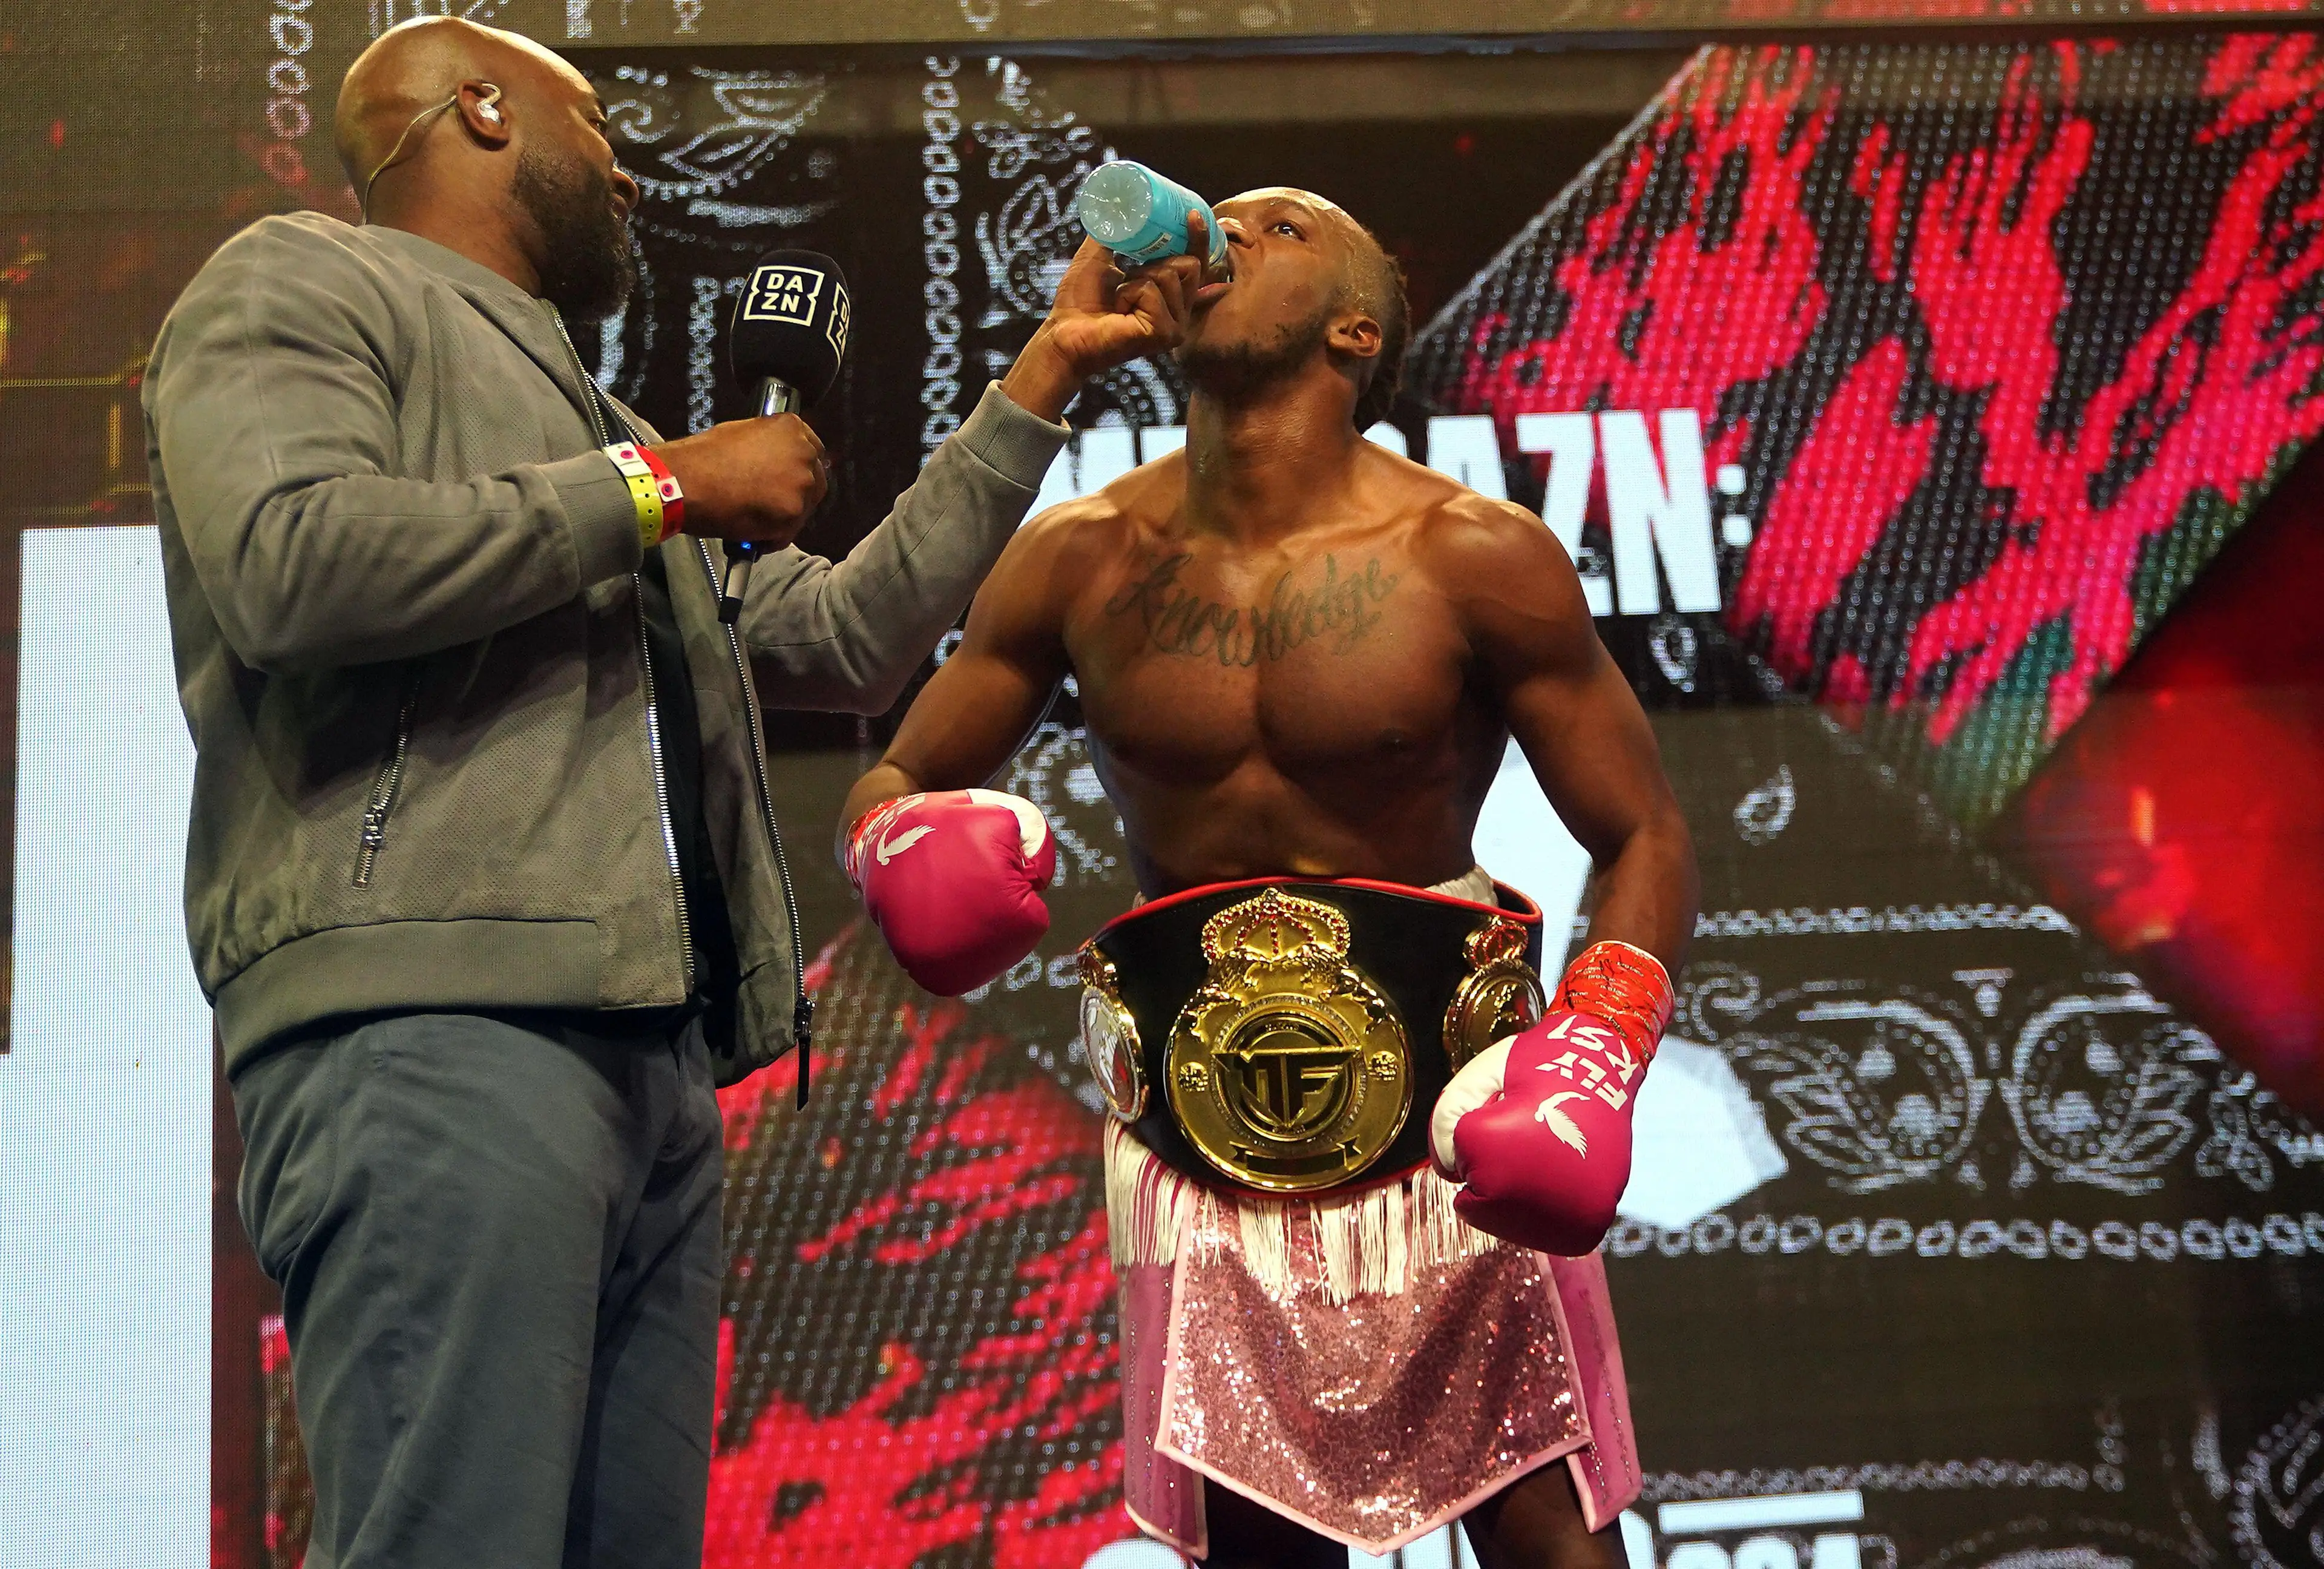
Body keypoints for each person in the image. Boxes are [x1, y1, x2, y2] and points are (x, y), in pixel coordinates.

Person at [143, 16, 1204, 1568]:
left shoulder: (612, 437)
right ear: (483, 110)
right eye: (594, 126)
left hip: (650, 1055)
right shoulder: (302, 282)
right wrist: (666, 488)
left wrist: (1038, 380)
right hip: (435, 1019)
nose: (629, 176)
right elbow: (291, 563)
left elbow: (844, 638)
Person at [840, 187, 1699, 1567]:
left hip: (1455, 1114)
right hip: (1205, 1136)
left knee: (1547, 1530)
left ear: (1357, 330)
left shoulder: (1472, 554)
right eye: (1219, 219)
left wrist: (1594, 1053)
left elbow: (1645, 830)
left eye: (1279, 228)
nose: (1223, 235)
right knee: (1259, 1544)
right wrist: (894, 845)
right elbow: (894, 775)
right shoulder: (1076, 555)